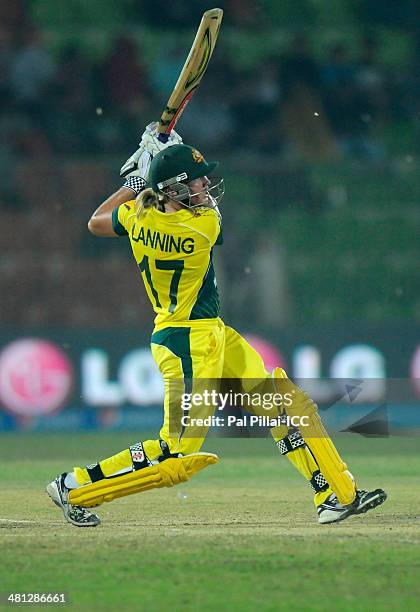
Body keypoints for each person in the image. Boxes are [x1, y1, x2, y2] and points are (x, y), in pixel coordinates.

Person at [46, 124, 387, 527]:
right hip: (186, 343)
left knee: (284, 404)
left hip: (208, 331)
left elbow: (96, 222)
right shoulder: (201, 226)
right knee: (177, 456)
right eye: (196, 180)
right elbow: (211, 216)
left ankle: (336, 496)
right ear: (174, 190)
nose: (206, 184)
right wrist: (155, 165)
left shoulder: (138, 218)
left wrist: (137, 177)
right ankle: (76, 488)